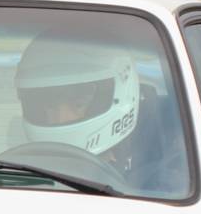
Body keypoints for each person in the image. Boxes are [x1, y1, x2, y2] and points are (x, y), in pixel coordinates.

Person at [13, 33, 177, 193]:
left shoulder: (173, 154)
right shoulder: (11, 166)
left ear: (120, 90)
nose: (60, 118)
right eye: (47, 102)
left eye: (78, 101)